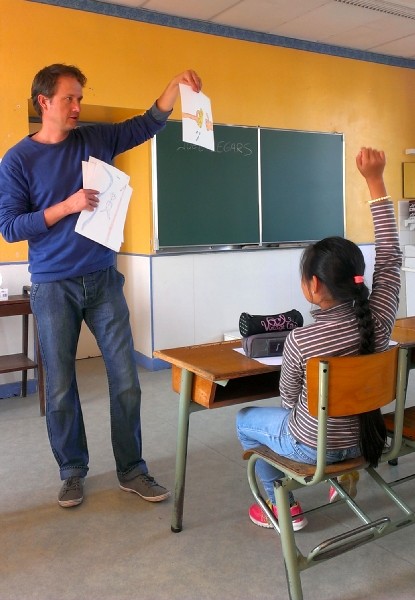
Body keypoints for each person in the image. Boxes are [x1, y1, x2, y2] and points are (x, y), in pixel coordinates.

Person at [0, 63, 202, 508]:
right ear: (44, 102)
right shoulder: (17, 159)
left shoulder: (94, 140)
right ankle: (72, 471)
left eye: (80, 98)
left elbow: (146, 125)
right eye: (70, 98)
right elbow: (11, 228)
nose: (78, 107)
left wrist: (171, 88)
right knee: (59, 385)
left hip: (103, 278)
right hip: (53, 285)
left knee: (127, 379)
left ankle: (132, 469)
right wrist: (66, 206)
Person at [236, 147, 402, 529]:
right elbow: (391, 256)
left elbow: (289, 400)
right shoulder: (379, 318)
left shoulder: (301, 340)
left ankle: (283, 507)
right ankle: (345, 476)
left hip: (315, 448)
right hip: (369, 440)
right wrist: (375, 181)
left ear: (313, 285)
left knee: (246, 420)